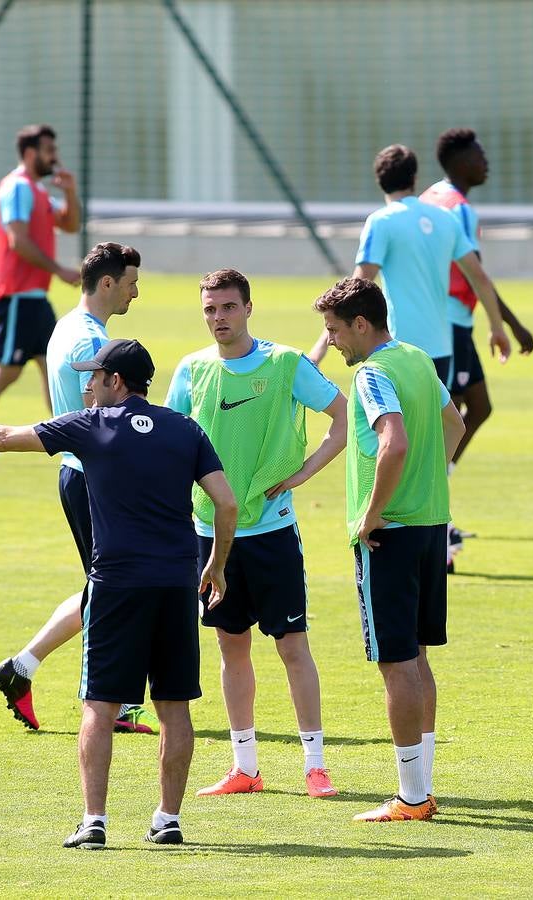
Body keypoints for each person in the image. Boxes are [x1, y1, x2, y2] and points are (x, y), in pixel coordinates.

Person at [0, 339, 238, 848]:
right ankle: (167, 820)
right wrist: (217, 564)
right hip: (174, 582)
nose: (86, 385)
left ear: (116, 381)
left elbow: (3, 435)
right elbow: (226, 505)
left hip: (116, 583)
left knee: (99, 706)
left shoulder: (90, 426)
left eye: (94, 376)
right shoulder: (185, 429)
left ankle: (94, 822)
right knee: (174, 706)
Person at [164, 269, 348, 800]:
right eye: (210, 310)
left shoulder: (286, 363)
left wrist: (301, 475)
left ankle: (315, 765)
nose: (218, 318)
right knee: (231, 645)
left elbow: (342, 415)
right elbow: (175, 443)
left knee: (293, 645)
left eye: (227, 307)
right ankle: (245, 765)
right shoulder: (192, 369)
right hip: (209, 532)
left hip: (271, 533)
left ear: (248, 308)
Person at [312, 143, 511, 571]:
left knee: (387, 441)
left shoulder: (381, 221)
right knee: (436, 436)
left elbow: (356, 287)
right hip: (438, 350)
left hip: (392, 350)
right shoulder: (444, 217)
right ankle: (438, 534)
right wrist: (496, 325)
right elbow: (477, 274)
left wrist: (322, 343)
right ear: (415, 179)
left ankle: (399, 522)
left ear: (380, 180)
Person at [0, 242, 158, 735]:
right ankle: (114, 702)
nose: (135, 292)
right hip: (96, 479)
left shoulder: (68, 325)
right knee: (118, 591)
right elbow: (103, 417)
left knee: (105, 587)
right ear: (107, 283)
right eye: (130, 283)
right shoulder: (89, 343)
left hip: (78, 472)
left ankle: (23, 668)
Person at [313, 277, 466, 822]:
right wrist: (433, 479)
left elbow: (393, 441)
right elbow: (455, 422)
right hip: (430, 524)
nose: (331, 342)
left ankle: (411, 796)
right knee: (417, 658)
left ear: (360, 324)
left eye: (333, 330)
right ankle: (421, 788)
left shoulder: (374, 373)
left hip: (391, 532)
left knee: (396, 663)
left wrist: (372, 512)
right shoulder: (419, 358)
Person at [0, 124, 81, 464]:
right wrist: (59, 270)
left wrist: (70, 192)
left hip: (34, 296)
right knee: (8, 370)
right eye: (49, 150)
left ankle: (69, 437)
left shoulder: (36, 191)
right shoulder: (17, 188)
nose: (55, 157)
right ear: (31, 153)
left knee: (51, 363)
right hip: (18, 295)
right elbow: (17, 240)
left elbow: (69, 224)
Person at [419, 128, 533, 468]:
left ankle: (438, 497)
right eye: (479, 156)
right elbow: (477, 276)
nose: (486, 163)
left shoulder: (430, 196)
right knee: (449, 415)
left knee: (478, 406)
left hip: (437, 316)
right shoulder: (459, 208)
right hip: (451, 322)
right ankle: (431, 507)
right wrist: (512, 326)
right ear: (461, 161)